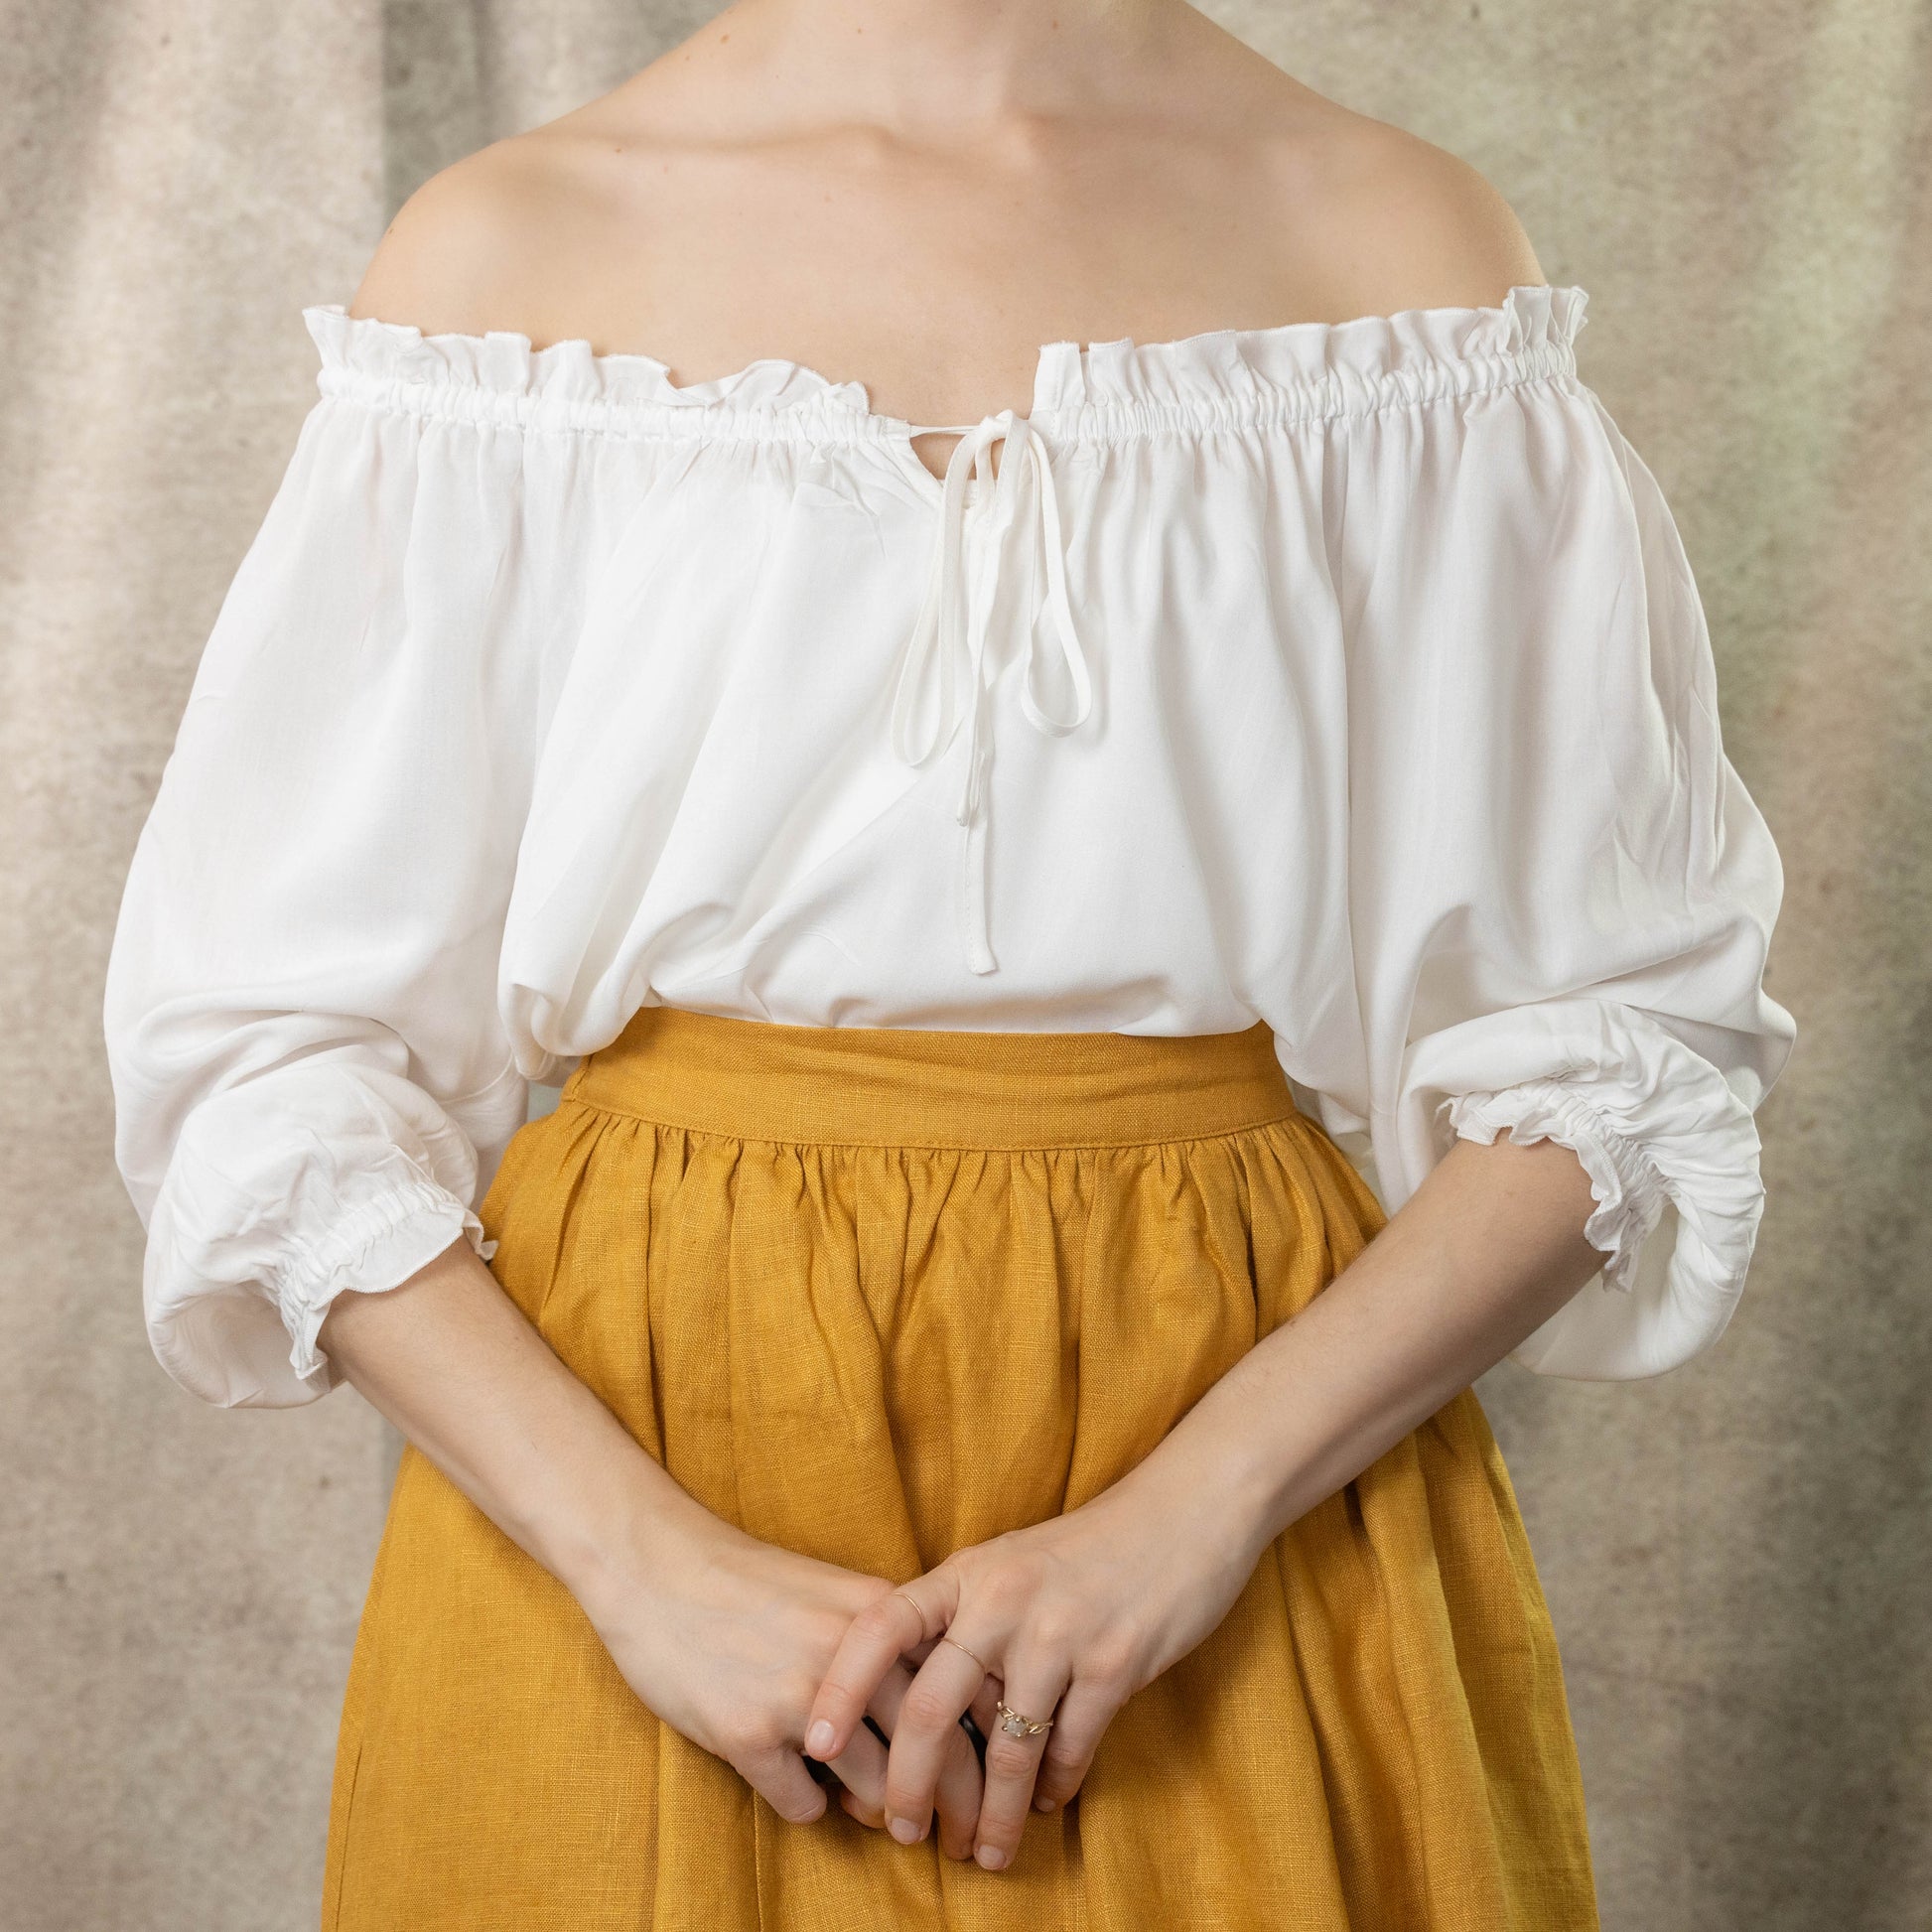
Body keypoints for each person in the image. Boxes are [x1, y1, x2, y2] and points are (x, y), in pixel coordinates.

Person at [101, 1, 1797, 1925]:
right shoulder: (516, 253)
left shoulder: (1386, 245)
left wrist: (1197, 1510)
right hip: (638, 1442)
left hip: (1235, 1429)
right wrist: (640, 1560)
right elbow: (271, 1053)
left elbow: (1617, 1041)